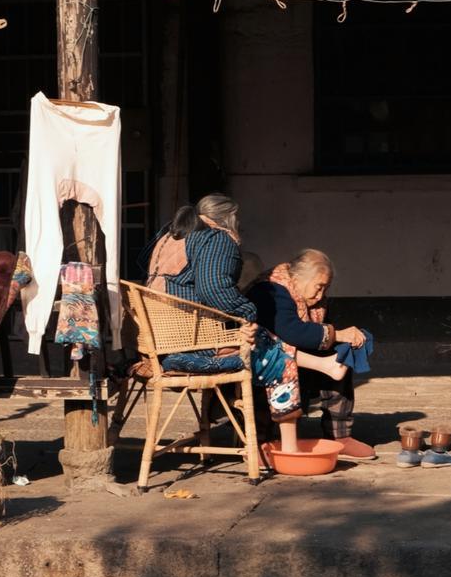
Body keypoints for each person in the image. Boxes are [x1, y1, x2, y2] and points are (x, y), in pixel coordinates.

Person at [141, 195, 350, 455]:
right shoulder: (216, 238)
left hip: (162, 341)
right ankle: (280, 446)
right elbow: (213, 289)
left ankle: (316, 377)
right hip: (194, 346)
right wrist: (247, 313)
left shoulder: (169, 237)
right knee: (277, 358)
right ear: (230, 218)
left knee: (265, 342)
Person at [246, 249, 376, 460]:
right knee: (274, 362)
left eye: (326, 288)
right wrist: (337, 334)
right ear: (298, 278)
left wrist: (346, 338)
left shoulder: (314, 301)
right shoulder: (270, 289)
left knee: (342, 352)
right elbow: (292, 331)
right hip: (264, 362)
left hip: (300, 360)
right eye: (319, 287)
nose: (321, 295)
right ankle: (261, 441)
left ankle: (339, 436)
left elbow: (318, 332)